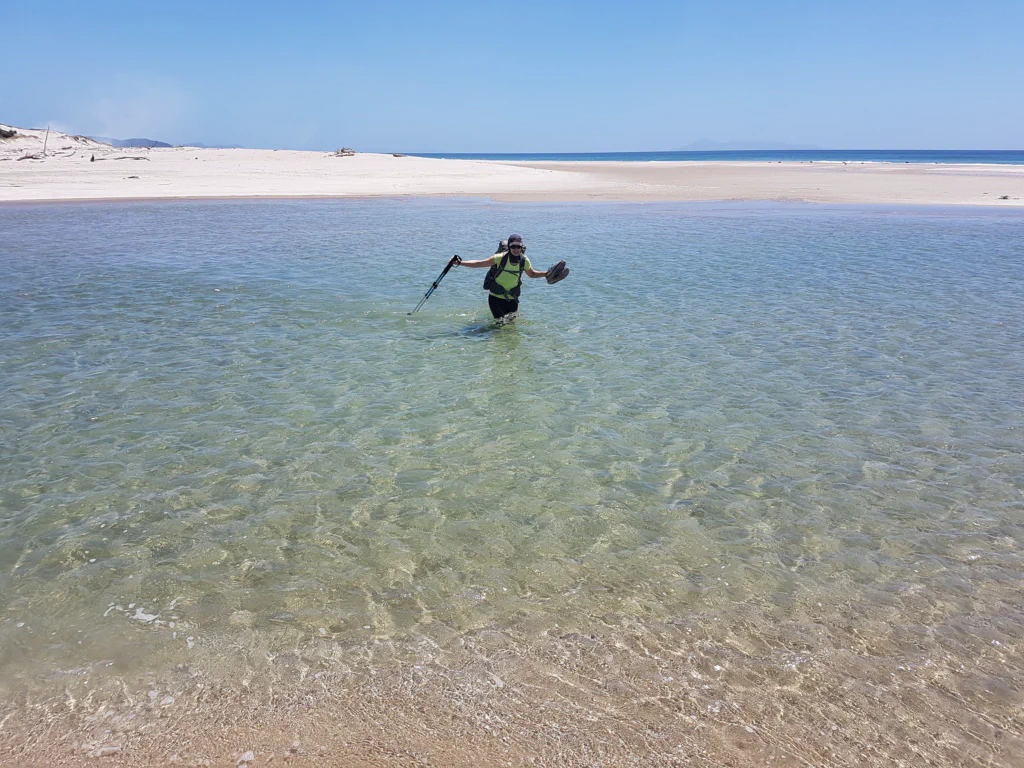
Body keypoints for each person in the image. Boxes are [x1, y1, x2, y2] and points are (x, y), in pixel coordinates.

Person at [456, 234, 550, 320]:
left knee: (510, 327)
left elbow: (532, 274)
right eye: (513, 246)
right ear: (509, 246)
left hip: (513, 299)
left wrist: (547, 273)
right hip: (495, 298)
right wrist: (460, 263)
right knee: (500, 325)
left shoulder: (524, 260)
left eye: (518, 247)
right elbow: (479, 263)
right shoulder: (499, 258)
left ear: (522, 247)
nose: (516, 249)